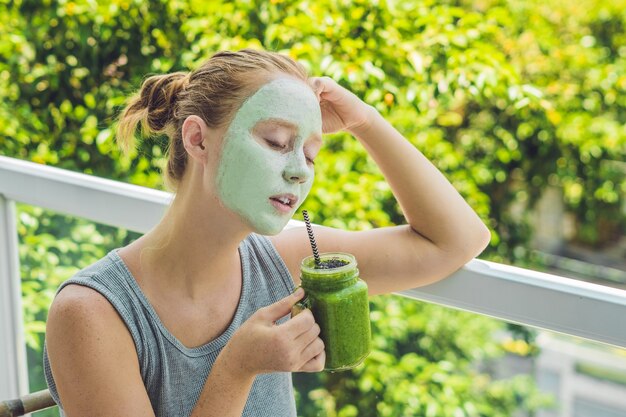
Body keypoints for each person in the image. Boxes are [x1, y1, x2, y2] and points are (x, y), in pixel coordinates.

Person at [43, 49, 491, 417]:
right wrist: (237, 369)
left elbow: (456, 240)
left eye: (311, 155)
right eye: (276, 142)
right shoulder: (91, 315)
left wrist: (365, 123)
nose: (299, 171)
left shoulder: (283, 258)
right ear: (198, 140)